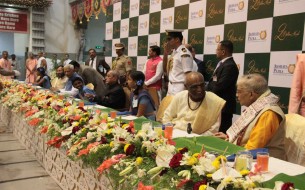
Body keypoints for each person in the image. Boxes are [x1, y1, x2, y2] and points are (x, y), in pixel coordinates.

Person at [214, 74, 286, 160]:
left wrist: (229, 153)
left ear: (251, 94)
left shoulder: (268, 113)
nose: (236, 95)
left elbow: (252, 149)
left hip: (267, 162)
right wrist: (228, 139)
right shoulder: (257, 108)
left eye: (239, 91)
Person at [206, 40, 239, 133]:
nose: (216, 51)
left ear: (223, 51)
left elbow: (220, 86)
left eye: (217, 49)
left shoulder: (230, 66)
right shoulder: (223, 63)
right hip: (219, 105)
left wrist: (208, 88)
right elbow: (215, 82)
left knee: (222, 132)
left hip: (225, 107)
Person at [163, 29, 193, 96]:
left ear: (177, 39)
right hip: (171, 86)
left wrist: (185, 92)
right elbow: (165, 69)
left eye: (169, 39)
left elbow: (188, 74)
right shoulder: (174, 52)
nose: (167, 42)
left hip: (180, 87)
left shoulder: (184, 53)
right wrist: (165, 53)